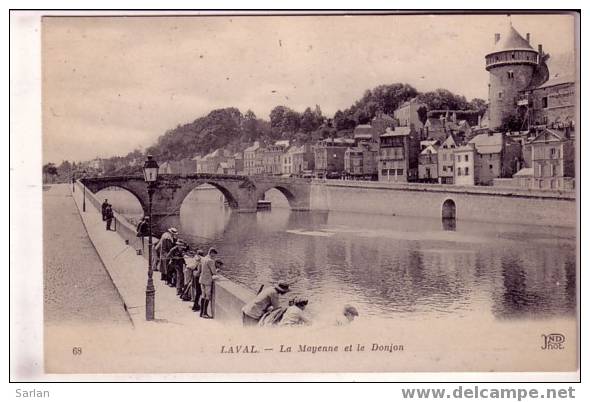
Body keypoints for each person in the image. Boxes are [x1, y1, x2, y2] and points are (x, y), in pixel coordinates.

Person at [198, 248, 219, 319]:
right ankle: (205, 313)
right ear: (211, 253)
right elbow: (213, 272)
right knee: (207, 296)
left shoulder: (203, 259)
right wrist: (217, 271)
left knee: (203, 295)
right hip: (207, 281)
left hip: (201, 279)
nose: (214, 256)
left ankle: (201, 313)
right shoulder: (210, 261)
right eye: (214, 255)